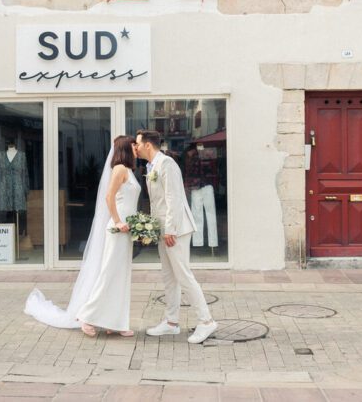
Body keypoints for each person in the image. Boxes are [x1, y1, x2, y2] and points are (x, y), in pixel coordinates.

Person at [24, 136, 140, 338]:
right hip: (118, 228)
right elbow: (108, 197)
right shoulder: (120, 169)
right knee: (109, 273)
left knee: (121, 276)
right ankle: (86, 315)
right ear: (126, 148)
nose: (137, 148)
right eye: (134, 145)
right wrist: (118, 221)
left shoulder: (129, 170)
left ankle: (115, 321)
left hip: (127, 229)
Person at [135, 130, 218, 344]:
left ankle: (206, 321)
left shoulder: (167, 164)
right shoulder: (150, 166)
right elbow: (157, 201)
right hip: (164, 228)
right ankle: (171, 323)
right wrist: (156, 228)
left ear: (148, 145)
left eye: (138, 144)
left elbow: (174, 197)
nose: (135, 148)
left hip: (176, 229)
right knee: (169, 276)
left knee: (183, 275)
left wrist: (170, 229)